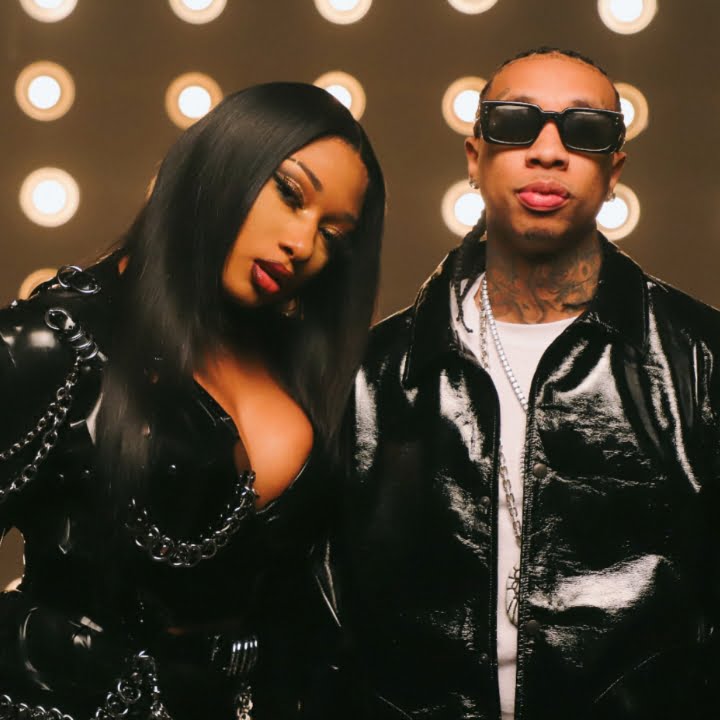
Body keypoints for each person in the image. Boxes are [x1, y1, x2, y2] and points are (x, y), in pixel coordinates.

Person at [316, 47, 720, 719]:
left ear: (614, 172)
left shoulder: (702, 361)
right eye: (515, 123)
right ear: (474, 158)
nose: (548, 151)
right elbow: (324, 618)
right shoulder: (370, 375)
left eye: (584, 131)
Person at [0, 81, 385, 719]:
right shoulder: (51, 341)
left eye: (333, 235)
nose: (302, 243)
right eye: (291, 194)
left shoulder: (315, 378)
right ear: (221, 162)